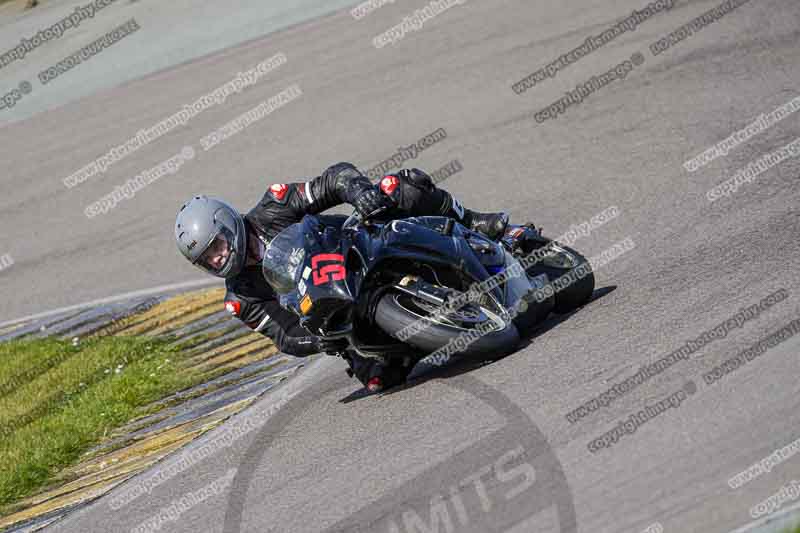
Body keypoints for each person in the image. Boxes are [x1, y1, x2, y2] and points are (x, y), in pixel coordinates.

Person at [174, 162, 511, 392]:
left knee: (400, 186)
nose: (217, 258)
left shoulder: (274, 205)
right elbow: (285, 336)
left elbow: (334, 178)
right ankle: (417, 336)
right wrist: (317, 340)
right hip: (344, 317)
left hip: (361, 246)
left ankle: (473, 221)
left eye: (215, 246)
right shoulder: (241, 298)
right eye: (207, 259)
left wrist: (358, 192)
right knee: (378, 380)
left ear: (226, 223)